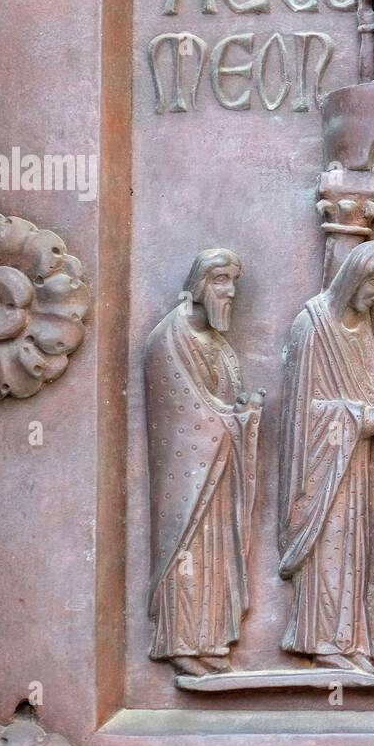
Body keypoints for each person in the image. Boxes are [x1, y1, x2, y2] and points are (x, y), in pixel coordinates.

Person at [276, 240, 374, 673]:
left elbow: (363, 397)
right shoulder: (312, 326)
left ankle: (347, 638)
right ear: (356, 277)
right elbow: (309, 413)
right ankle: (319, 639)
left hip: (352, 461)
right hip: (319, 464)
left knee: (351, 549)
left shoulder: (358, 327)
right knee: (329, 543)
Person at [146, 249, 263, 677]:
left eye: (233, 281)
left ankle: (209, 640)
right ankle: (180, 643)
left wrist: (245, 412)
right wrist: (233, 419)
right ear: (198, 284)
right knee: (188, 550)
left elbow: (223, 401)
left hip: (219, 471)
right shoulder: (169, 339)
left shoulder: (219, 345)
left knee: (217, 552)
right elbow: (183, 413)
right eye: (221, 281)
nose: (229, 291)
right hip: (188, 475)